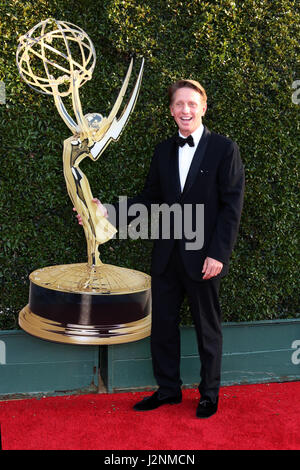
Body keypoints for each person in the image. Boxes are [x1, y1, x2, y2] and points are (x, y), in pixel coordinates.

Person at [75, 79, 245, 418]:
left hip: (203, 258)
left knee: (207, 328)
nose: (185, 110)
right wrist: (104, 211)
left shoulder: (225, 149)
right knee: (163, 327)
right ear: (171, 111)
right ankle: (168, 391)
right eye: (179, 104)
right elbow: (149, 201)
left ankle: (209, 394)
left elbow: (232, 207)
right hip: (166, 257)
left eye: (191, 104)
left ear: (203, 107)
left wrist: (218, 254)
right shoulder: (163, 151)